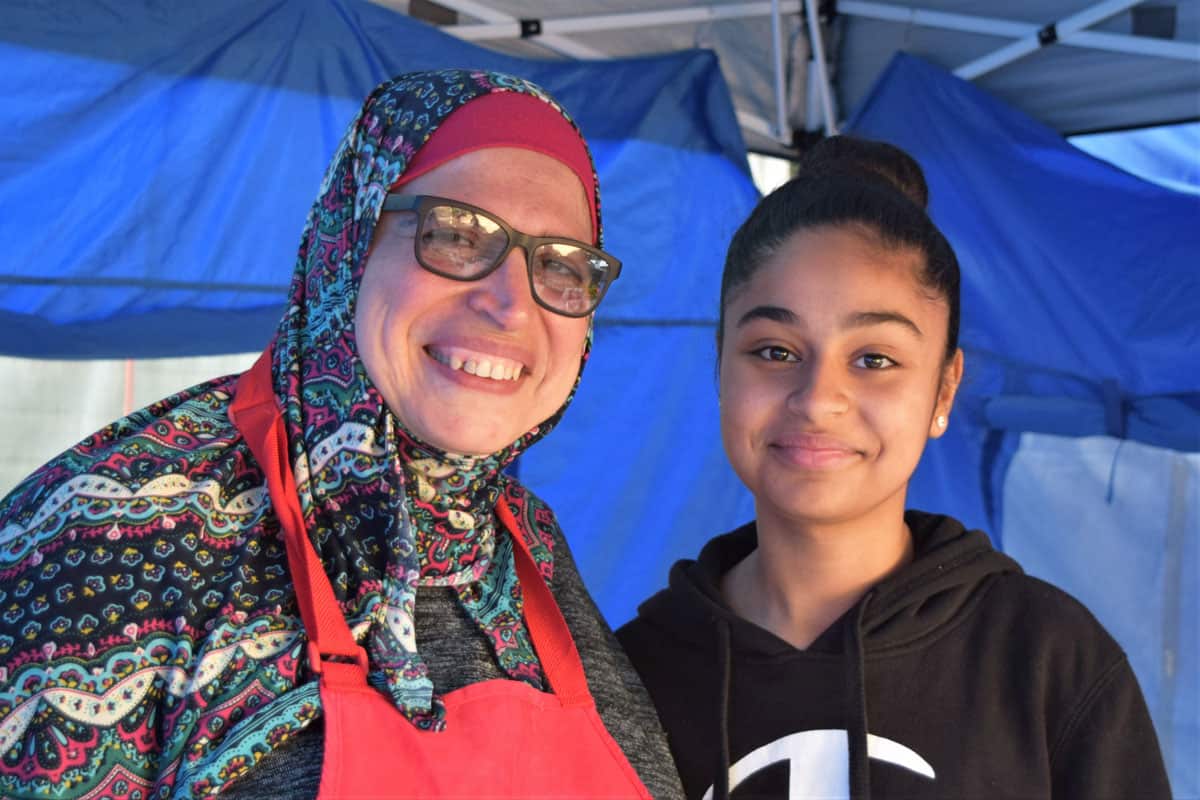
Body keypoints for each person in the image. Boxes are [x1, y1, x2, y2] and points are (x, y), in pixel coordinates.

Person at [0, 69, 683, 799]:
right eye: (455, 234)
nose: (512, 305)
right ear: (348, 241)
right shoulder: (111, 533)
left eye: (562, 264)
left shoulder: (528, 545)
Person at [616, 136, 1170, 800]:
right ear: (719, 366)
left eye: (874, 359)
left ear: (943, 391)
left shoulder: (1049, 662)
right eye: (773, 350)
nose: (819, 399)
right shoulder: (627, 679)